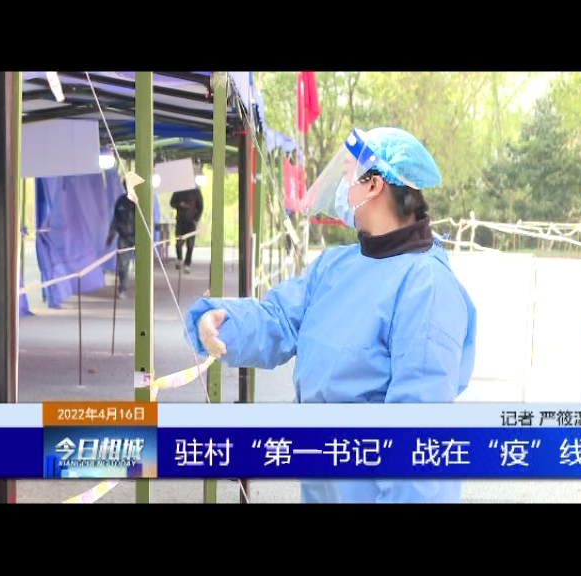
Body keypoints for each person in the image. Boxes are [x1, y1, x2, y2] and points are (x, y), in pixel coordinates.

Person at [184, 127, 477, 504]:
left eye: (347, 176)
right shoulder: (337, 265)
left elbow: (419, 432)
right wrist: (223, 321)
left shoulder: (427, 286)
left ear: (374, 185)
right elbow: (279, 318)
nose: (342, 190)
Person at [105, 182, 136, 299]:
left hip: (138, 237)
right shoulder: (121, 201)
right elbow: (115, 220)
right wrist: (110, 235)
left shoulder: (140, 201)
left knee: (142, 264)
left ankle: (144, 287)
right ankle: (122, 288)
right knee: (123, 264)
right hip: (123, 237)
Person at [170, 186, 203, 273]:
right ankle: (179, 258)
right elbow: (172, 203)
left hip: (191, 222)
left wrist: (196, 219)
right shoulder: (179, 189)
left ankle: (187, 264)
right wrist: (179, 204)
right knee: (179, 242)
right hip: (180, 221)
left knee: (190, 244)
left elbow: (200, 207)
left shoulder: (196, 191)